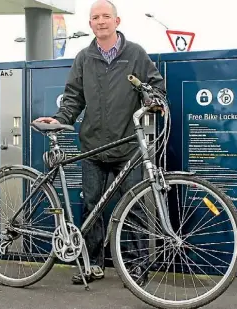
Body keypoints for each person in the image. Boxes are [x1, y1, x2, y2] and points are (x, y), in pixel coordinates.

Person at [34, 0, 166, 285]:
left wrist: (153, 99)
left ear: (117, 22)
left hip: (128, 145)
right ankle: (91, 264)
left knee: (135, 208)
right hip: (93, 146)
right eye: (95, 17)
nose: (101, 21)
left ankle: (135, 268)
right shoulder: (84, 57)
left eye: (106, 16)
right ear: (90, 24)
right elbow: (73, 97)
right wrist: (59, 118)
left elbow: (155, 85)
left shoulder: (136, 54)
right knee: (91, 206)